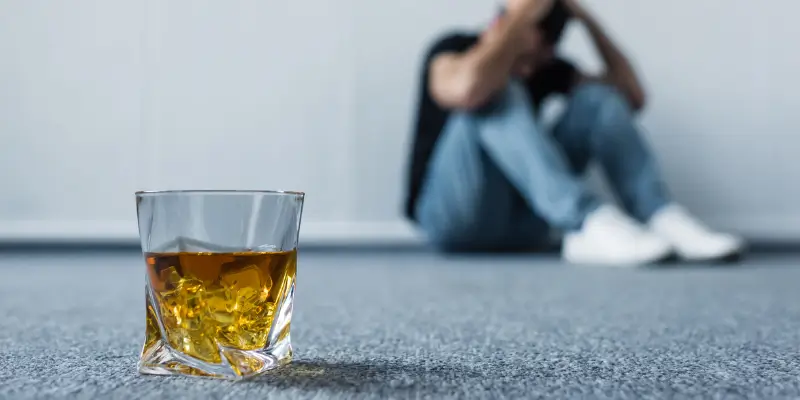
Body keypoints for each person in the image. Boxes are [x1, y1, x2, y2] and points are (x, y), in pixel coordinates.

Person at [403, 0, 745, 265]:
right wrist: (518, 17)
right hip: (453, 220)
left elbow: (631, 98)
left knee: (597, 98)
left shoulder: (549, 69)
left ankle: (659, 214)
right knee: (495, 92)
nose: (530, 67)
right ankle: (588, 219)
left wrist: (586, 18)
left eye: (538, 57)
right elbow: (466, 91)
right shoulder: (452, 49)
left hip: (525, 226)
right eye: (526, 54)